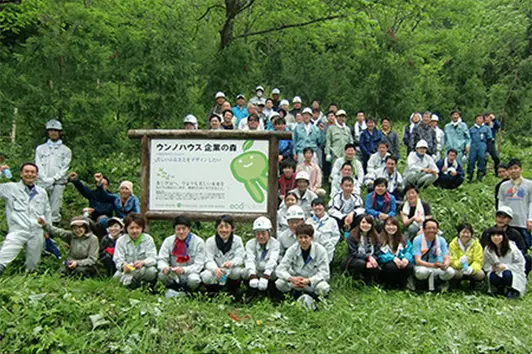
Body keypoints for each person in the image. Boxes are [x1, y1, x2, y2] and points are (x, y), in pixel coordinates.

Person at [0, 162, 51, 275]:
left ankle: (28, 283)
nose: (29, 174)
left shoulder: (41, 192)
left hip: (37, 232)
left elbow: (47, 211)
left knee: (32, 265)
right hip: (18, 230)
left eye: (32, 172)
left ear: (36, 175)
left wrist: (47, 229)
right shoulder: (10, 188)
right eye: (26, 171)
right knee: (3, 258)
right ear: (21, 174)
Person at [275, 224, 330, 309]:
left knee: (323, 287)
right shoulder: (292, 250)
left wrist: (309, 280)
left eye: (306, 237)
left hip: (311, 283)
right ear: (296, 238)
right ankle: (289, 298)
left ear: (311, 237)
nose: (303, 240)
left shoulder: (321, 251)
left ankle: (318, 300)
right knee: (279, 283)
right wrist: (291, 279)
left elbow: (325, 273)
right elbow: (280, 269)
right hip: (296, 283)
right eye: (300, 237)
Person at [35, 119, 71, 223]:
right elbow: (38, 164)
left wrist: (54, 178)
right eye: (51, 130)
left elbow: (65, 167)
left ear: (60, 132)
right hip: (42, 182)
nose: (53, 132)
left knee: (55, 208)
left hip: (58, 183)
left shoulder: (66, 150)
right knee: (40, 206)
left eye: (55, 130)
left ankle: (53, 230)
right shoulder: (40, 149)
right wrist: (44, 178)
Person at [158, 215, 205, 296]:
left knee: (194, 280)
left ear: (189, 229)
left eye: (184, 229)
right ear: (174, 230)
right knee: (161, 275)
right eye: (178, 229)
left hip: (191, 273)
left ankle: (189, 293)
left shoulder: (199, 242)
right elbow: (162, 259)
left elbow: (199, 265)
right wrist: (164, 267)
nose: (181, 232)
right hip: (174, 273)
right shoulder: (168, 241)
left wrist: (184, 270)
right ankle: (173, 290)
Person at [480, 206, 532, 276]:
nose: (500, 220)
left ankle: (521, 277)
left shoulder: (515, 234)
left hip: (511, 260)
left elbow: (522, 249)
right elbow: (484, 249)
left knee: (527, 258)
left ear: (509, 220)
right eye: (499, 217)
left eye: (504, 217)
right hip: (494, 259)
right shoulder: (488, 232)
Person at [201, 215, 245, 296]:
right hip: (216, 270)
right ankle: (212, 291)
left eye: (227, 227)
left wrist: (232, 263)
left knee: (237, 272)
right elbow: (208, 260)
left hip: (230, 269)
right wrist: (215, 269)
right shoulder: (210, 241)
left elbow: (240, 257)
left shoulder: (237, 240)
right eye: (221, 227)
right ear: (216, 228)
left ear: (232, 228)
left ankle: (233, 290)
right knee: (206, 276)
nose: (224, 230)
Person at [113, 213, 158, 289]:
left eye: (137, 228)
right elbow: (117, 259)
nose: (135, 231)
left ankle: (146, 288)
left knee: (152, 271)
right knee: (115, 279)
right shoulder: (121, 240)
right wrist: (123, 266)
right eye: (131, 228)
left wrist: (143, 262)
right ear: (126, 228)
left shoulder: (148, 239)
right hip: (127, 271)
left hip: (142, 269)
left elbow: (153, 258)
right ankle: (128, 288)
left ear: (142, 228)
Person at [497, 158, 532, 249]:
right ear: (508, 171)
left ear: (521, 169)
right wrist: (500, 218)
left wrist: (530, 219)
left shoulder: (529, 184)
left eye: (515, 168)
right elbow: (501, 202)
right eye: (511, 169)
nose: (513, 171)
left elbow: (530, 202)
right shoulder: (504, 186)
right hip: (508, 223)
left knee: (524, 247)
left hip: (522, 222)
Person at [412, 219, 455, 291]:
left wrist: (445, 265)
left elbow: (446, 257)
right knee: (422, 272)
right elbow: (417, 261)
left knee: (450, 271)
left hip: (438, 267)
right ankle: (421, 286)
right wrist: (433, 265)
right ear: (424, 229)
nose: (431, 230)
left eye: (434, 228)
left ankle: (438, 284)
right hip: (423, 266)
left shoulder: (441, 240)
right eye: (429, 228)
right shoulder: (417, 240)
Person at [483, 227, 526, 299]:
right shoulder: (488, 249)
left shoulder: (512, 248)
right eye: (493, 235)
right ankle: (499, 289)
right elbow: (486, 264)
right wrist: (492, 268)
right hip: (496, 271)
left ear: (503, 236)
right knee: (492, 276)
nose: (496, 238)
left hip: (513, 271)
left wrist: (506, 266)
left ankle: (511, 290)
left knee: (507, 274)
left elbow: (520, 263)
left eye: (499, 235)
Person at [243, 217, 281, 296]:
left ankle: (272, 293)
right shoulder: (250, 244)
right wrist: (252, 275)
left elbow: (273, 260)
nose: (260, 236)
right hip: (255, 270)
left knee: (276, 273)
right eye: (258, 233)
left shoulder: (275, 243)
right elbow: (249, 259)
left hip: (269, 271)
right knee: (244, 272)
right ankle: (252, 292)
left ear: (269, 232)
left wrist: (266, 275)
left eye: (263, 233)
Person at [378, 217, 414, 289]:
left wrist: (406, 258)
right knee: (391, 266)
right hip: (386, 264)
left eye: (394, 225)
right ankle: (390, 285)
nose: (391, 227)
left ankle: (402, 285)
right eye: (388, 225)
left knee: (409, 266)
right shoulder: (379, 239)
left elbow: (410, 251)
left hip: (400, 261)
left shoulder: (403, 238)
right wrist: (392, 258)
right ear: (384, 226)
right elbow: (379, 255)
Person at [343, 215, 381, 284]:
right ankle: (355, 281)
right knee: (360, 263)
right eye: (363, 222)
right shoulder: (352, 236)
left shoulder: (376, 237)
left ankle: (369, 282)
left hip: (370, 258)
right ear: (359, 223)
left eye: (368, 223)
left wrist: (372, 259)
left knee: (375, 264)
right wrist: (368, 258)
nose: (366, 225)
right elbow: (354, 253)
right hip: (354, 259)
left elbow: (377, 252)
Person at [449, 223, 485, 288]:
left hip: (470, 267)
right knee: (454, 273)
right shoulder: (453, 244)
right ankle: (455, 285)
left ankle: (473, 285)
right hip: (458, 268)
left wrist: (472, 269)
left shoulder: (476, 244)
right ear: (459, 233)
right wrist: (460, 263)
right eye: (463, 232)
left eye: (468, 233)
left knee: (480, 274)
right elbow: (452, 260)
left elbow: (478, 260)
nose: (465, 235)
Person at [307, 198, 340, 263]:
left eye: (319, 205)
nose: (317, 208)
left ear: (324, 207)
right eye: (315, 206)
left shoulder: (332, 221)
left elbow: (336, 236)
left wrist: (329, 244)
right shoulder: (308, 221)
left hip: (327, 249)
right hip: (312, 249)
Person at [467, 114, 492, 182]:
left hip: (482, 146)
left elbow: (489, 140)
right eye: (477, 119)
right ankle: (469, 176)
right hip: (473, 147)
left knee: (482, 160)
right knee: (471, 161)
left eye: (481, 118)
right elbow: (468, 139)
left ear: (483, 120)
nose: (479, 120)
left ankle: (479, 177)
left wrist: (488, 151)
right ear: (475, 120)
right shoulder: (471, 129)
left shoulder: (486, 128)